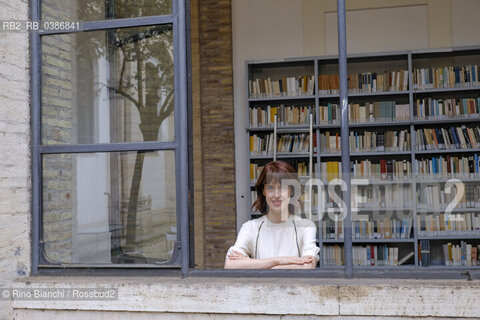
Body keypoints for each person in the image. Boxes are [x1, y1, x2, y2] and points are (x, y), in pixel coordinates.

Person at [224, 160, 319, 269]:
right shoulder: (250, 228)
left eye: (283, 187)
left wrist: (253, 264)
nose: (276, 195)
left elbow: (308, 266)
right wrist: (279, 260)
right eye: (270, 188)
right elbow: (230, 265)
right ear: (263, 191)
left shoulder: (306, 226)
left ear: (291, 190)